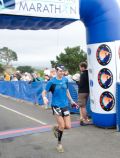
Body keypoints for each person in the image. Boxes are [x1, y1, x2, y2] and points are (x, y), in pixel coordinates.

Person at [42, 64, 76, 153]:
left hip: (65, 105)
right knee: (62, 126)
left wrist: (72, 101)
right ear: (56, 71)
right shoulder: (51, 82)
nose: (62, 72)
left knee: (68, 126)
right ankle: (59, 144)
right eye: (60, 71)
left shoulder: (65, 80)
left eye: (63, 71)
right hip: (56, 105)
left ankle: (55, 128)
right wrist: (44, 98)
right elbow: (44, 92)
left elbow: (67, 91)